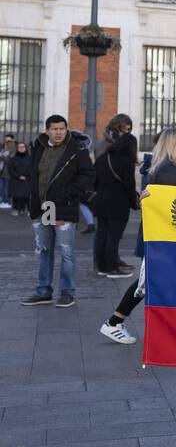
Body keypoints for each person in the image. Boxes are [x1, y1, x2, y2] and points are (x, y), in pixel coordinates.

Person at [99, 128, 176, 345]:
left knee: (155, 283)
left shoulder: (170, 166)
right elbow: (169, 207)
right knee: (149, 282)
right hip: (163, 238)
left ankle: (121, 322)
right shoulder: (170, 169)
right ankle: (115, 323)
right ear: (175, 144)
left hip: (161, 237)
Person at [22, 115, 94, 309]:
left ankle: (67, 292)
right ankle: (43, 291)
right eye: (54, 129)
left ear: (66, 129)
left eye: (62, 128)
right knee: (44, 250)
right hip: (43, 208)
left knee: (67, 252)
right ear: (47, 131)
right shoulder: (39, 147)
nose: (59, 132)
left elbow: (88, 176)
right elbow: (32, 171)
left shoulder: (76, 149)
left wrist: (67, 195)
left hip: (63, 206)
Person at [91, 114, 139, 279]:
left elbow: (94, 181)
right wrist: (134, 202)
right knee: (114, 237)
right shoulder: (126, 161)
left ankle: (102, 266)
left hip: (101, 200)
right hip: (118, 203)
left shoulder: (104, 157)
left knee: (102, 235)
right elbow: (129, 184)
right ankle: (112, 268)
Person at [6, 140, 32, 216]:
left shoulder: (31, 158)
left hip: (27, 179)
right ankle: (16, 209)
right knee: (16, 196)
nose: (21, 148)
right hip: (16, 180)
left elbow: (33, 169)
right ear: (17, 148)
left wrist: (26, 176)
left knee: (27, 196)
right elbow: (10, 169)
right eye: (19, 147)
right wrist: (18, 176)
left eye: (23, 147)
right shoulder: (12, 158)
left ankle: (29, 210)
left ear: (26, 148)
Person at [0, 133, 13, 208]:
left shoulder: (12, 151)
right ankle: (4, 201)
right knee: (1, 188)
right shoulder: (2, 150)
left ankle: (7, 202)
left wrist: (2, 157)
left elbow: (9, 161)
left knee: (6, 188)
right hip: (1, 172)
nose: (6, 143)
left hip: (7, 172)